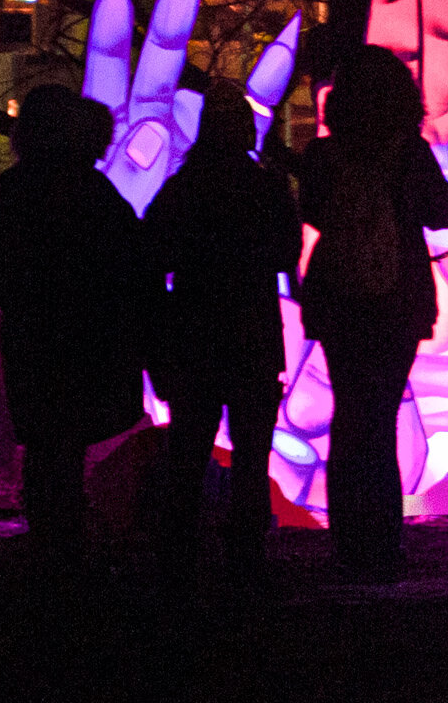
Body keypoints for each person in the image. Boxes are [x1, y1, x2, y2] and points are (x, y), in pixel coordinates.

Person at [299, 45, 448, 582]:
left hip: (338, 299)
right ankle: (383, 545)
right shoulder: (408, 152)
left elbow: (313, 212)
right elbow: (445, 212)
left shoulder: (323, 156)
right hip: (397, 299)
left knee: (349, 418)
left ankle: (347, 544)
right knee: (381, 418)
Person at [0, 85, 150, 571]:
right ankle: (64, 539)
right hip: (88, 338)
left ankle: (51, 535)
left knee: (47, 443)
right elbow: (130, 263)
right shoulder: (91, 194)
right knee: (67, 443)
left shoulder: (5, 195)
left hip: (33, 335)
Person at [145, 87, 301, 584]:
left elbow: (156, 255)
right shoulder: (267, 188)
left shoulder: (182, 188)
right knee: (253, 454)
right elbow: (283, 256)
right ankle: (246, 556)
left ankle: (177, 556)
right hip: (253, 332)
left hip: (194, 331)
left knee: (188, 450)